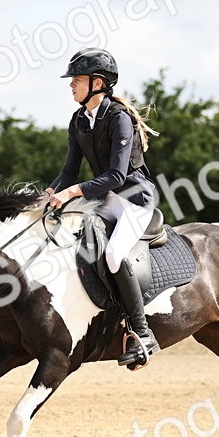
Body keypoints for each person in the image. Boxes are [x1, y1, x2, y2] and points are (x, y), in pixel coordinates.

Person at [46, 48, 161, 369]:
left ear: (98, 83)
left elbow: (117, 175)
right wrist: (50, 194)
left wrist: (72, 192)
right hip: (107, 199)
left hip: (136, 198)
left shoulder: (118, 118)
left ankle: (143, 332)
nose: (71, 85)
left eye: (77, 80)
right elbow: (69, 171)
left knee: (113, 255)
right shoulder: (79, 119)